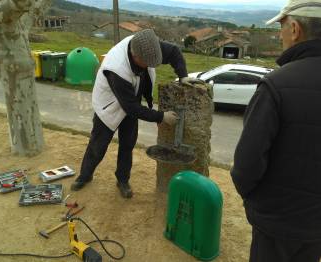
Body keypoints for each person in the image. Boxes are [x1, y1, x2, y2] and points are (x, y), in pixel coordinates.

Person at [230, 0, 321, 261]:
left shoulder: (276, 85)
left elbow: (246, 166)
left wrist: (255, 202)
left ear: (294, 29)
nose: (280, 34)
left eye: (281, 26)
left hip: (276, 222)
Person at [71, 29, 201, 198]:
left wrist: (182, 76)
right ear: (134, 56)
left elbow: (174, 51)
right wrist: (161, 117)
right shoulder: (116, 68)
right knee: (98, 145)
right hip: (109, 105)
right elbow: (131, 107)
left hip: (132, 96)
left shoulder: (147, 45)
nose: (149, 66)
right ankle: (85, 175)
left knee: (127, 145)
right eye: (146, 63)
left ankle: (122, 180)